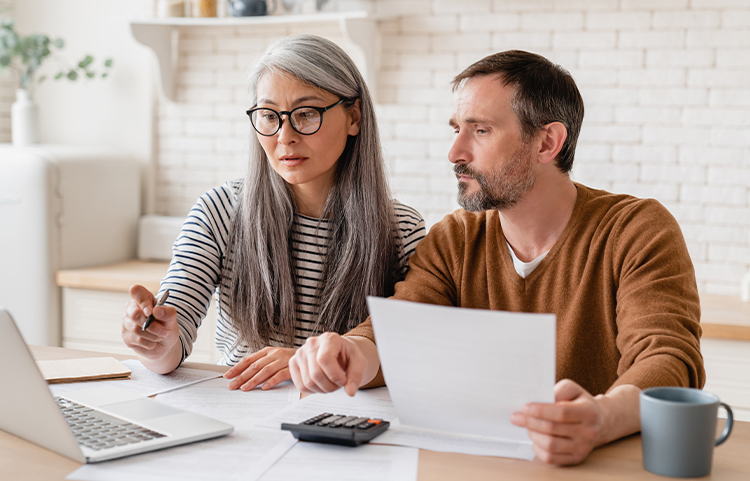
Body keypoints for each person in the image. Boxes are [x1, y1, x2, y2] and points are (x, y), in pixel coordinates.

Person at [288, 50, 705, 466]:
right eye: (456, 130)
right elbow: (399, 331)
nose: (455, 152)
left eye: (481, 131)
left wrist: (601, 417)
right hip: (481, 466)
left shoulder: (635, 230)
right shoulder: (455, 238)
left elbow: (668, 361)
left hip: (599, 467)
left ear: (547, 142)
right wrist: (348, 352)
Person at [120, 35, 425, 392]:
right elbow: (172, 344)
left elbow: (409, 352)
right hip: (245, 413)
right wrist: (155, 339)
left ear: (354, 116)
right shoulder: (221, 210)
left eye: (307, 114)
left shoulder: (401, 229)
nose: (285, 136)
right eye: (269, 116)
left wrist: (304, 364)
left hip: (347, 420)